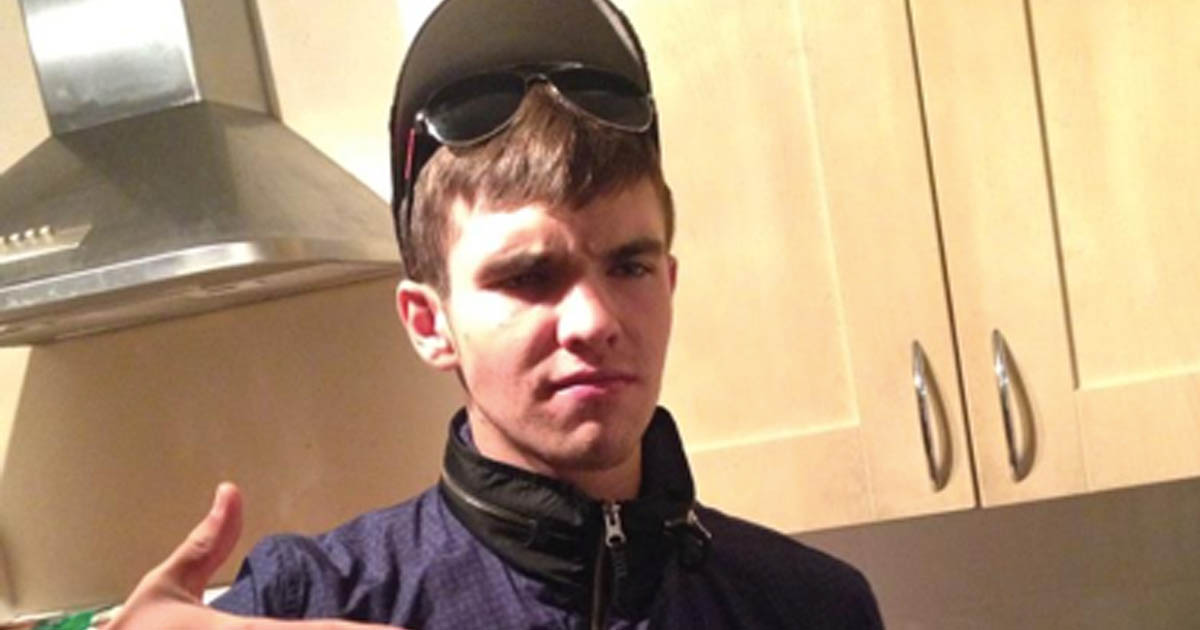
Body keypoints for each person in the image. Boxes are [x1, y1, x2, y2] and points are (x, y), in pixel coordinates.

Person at [107, 0, 883, 628]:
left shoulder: (812, 608)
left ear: (670, 283)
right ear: (429, 323)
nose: (593, 320)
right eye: (528, 276)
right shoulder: (309, 602)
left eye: (630, 266)